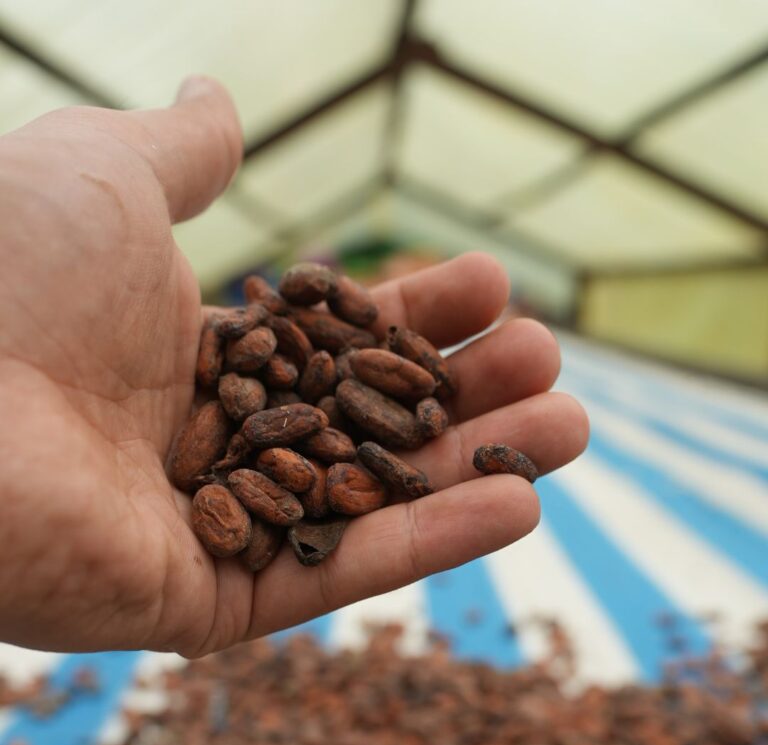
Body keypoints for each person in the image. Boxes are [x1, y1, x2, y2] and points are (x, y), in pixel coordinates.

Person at [0, 77, 588, 657]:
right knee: (266, 418)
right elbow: (274, 420)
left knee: (285, 421)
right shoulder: (263, 386)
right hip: (267, 441)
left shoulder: (305, 392)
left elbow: (314, 417)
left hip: (287, 437)